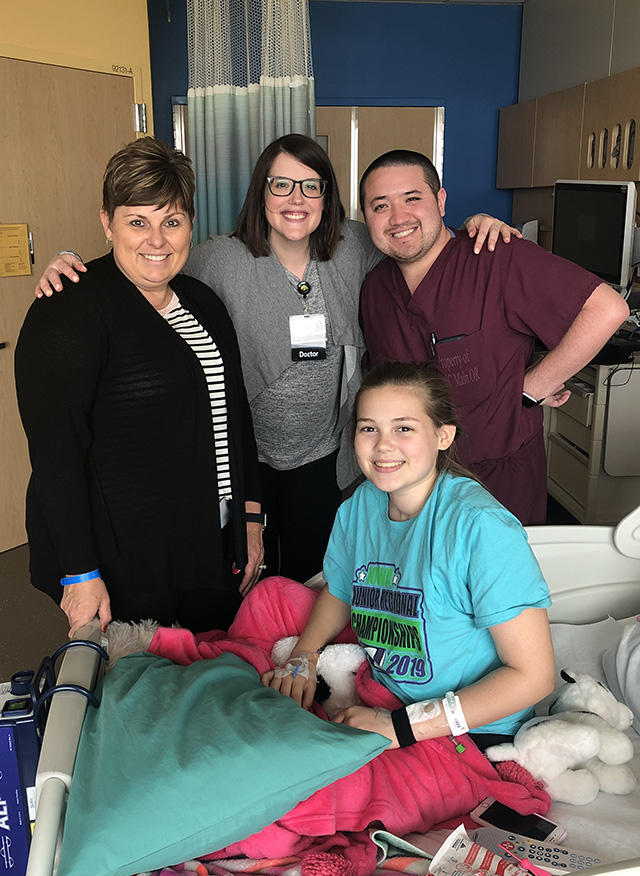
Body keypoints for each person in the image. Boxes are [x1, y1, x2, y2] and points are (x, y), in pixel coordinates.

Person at [34, 135, 516, 583]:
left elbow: (408, 239)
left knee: (315, 576)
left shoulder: (352, 248)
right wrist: (73, 264)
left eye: (311, 186)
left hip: (323, 454)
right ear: (261, 192)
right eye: (281, 184)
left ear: (327, 196)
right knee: (245, 580)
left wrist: (469, 230)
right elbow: (152, 263)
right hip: (244, 460)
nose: (296, 198)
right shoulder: (219, 258)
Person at [15, 137, 263, 637]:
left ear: (190, 223)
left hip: (204, 540)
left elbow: (235, 417)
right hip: (122, 557)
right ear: (107, 222)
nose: (157, 240)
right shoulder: (67, 311)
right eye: (137, 222)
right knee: (140, 688)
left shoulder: (203, 302)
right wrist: (81, 572)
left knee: (204, 671)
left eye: (171, 221)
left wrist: (250, 516)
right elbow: (55, 457)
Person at [263, 361, 556, 750]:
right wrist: (303, 657)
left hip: (471, 729)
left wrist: (400, 727)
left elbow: (534, 677)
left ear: (443, 436)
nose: (383, 445)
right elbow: (341, 590)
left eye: (404, 428)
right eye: (369, 428)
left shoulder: (481, 528)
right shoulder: (360, 506)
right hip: (384, 699)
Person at [358, 150, 630, 525]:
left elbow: (607, 309)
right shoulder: (375, 289)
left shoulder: (496, 256)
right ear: (365, 218)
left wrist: (532, 387)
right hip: (412, 484)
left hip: (499, 482)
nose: (398, 218)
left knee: (497, 580)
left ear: (440, 201)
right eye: (380, 206)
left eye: (412, 198)